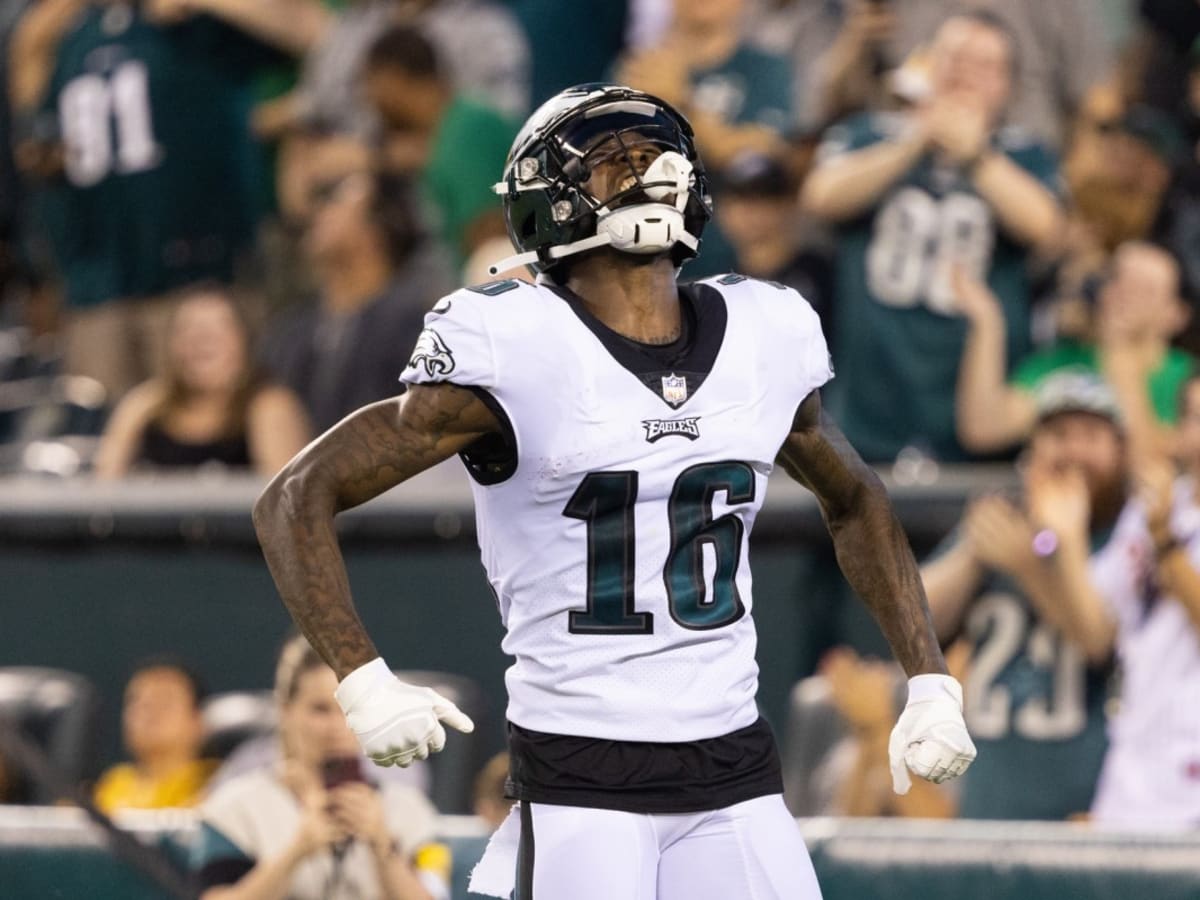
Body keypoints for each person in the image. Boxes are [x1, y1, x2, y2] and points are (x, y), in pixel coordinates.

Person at [253, 83, 975, 899]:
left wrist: (928, 678)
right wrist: (362, 680)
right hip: (579, 777)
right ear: (547, 202)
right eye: (614, 162)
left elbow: (856, 498)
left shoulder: (764, 334)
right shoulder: (514, 343)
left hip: (733, 765)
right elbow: (293, 496)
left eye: (658, 155)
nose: (649, 174)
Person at [9, 0, 327, 403]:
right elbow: (34, 122)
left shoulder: (196, 27)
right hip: (98, 282)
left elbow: (316, 31)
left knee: (217, 424)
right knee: (103, 439)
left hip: (198, 276)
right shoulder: (69, 32)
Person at [802, 10, 1066, 464]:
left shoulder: (1026, 154)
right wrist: (916, 141)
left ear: (1008, 86)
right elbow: (821, 196)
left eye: (984, 64)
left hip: (971, 413)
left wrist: (974, 155)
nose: (964, 71)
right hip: (870, 404)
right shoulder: (869, 132)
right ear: (926, 62)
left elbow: (1045, 227)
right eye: (954, 56)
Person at [922, 372, 1123, 820]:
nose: (1073, 452)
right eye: (1057, 435)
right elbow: (914, 621)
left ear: (1120, 450)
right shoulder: (1003, 525)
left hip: (1084, 807)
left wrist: (1047, 554)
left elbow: (1098, 640)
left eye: (1091, 436)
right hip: (989, 799)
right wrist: (974, 551)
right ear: (1031, 450)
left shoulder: (1125, 537)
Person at [193, 633, 445, 899]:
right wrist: (297, 851)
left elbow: (438, 894)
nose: (337, 727)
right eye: (320, 710)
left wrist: (383, 845)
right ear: (286, 710)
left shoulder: (411, 813)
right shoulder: (235, 810)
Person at [955, 243, 1195, 466]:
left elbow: (1155, 465)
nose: (1124, 294)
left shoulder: (1188, 378)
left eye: (1144, 289)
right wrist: (988, 322)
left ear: (1176, 315)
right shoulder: (1061, 361)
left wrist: (1120, 360)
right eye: (1116, 279)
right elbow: (983, 430)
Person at [260, 157, 455, 433]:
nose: (316, 212)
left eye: (333, 199)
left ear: (381, 223)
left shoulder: (417, 325)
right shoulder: (291, 332)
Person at [1087, 373, 1200, 829]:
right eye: (1193, 417)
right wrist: (1060, 537)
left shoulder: (1159, 520)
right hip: (1135, 762)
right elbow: (1096, 628)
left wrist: (1165, 544)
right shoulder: (1153, 506)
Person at [93, 286, 310, 478]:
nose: (202, 339)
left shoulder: (269, 406)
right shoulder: (147, 405)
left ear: (245, 341)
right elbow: (104, 489)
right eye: (188, 328)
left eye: (218, 328)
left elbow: (286, 502)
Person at [93, 658, 217, 815]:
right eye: (139, 704)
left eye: (164, 702)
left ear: (198, 720)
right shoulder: (110, 787)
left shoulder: (218, 786)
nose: (149, 714)